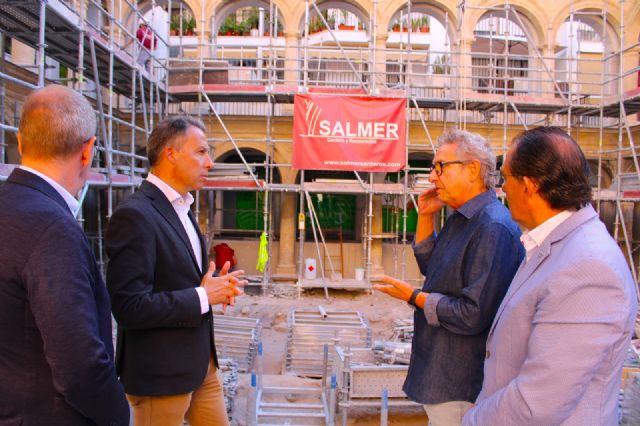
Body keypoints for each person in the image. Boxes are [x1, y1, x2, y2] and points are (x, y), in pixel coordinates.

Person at [463, 127, 637, 425]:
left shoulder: (588, 266)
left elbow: (537, 403)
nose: (501, 190)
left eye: (506, 179)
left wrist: (473, 420)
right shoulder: (556, 245)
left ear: (529, 185)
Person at [374, 129, 524, 425]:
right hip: (441, 372)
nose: (432, 177)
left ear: (472, 169)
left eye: (440, 167)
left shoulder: (492, 227)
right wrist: (426, 217)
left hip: (461, 381)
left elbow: (472, 314)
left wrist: (414, 297)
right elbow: (434, 270)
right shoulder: (463, 218)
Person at [0, 85, 129, 425]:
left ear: (22, 142)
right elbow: (79, 364)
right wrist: (119, 415)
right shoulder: (52, 228)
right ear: (87, 151)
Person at [106, 116, 245, 426]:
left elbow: (179, 281)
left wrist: (214, 287)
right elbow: (129, 307)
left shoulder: (182, 207)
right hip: (162, 375)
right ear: (170, 153)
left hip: (202, 366)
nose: (209, 163)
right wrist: (202, 295)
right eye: (201, 152)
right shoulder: (135, 215)